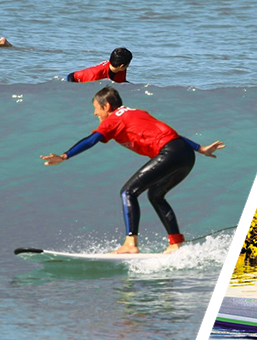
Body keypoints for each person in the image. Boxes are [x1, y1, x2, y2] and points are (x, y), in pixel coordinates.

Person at [41, 86, 225, 254]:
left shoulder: (112, 119)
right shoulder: (136, 112)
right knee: (155, 195)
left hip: (168, 153)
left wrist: (64, 156)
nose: (95, 113)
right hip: (185, 154)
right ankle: (175, 243)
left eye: (96, 108)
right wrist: (200, 148)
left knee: (128, 192)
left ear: (107, 106)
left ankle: (131, 244)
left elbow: (91, 140)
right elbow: (172, 134)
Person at [67, 47, 132, 83]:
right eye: (128, 63)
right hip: (74, 79)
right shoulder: (96, 74)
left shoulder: (121, 70)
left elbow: (121, 83)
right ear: (121, 66)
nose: (128, 66)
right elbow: (73, 77)